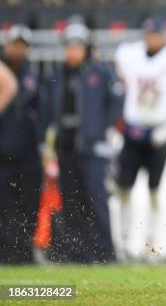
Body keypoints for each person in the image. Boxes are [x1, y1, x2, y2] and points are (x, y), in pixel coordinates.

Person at [48, 22, 123, 263]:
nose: (72, 52)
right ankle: (78, 253)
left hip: (92, 147)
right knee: (71, 201)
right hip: (66, 145)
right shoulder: (58, 75)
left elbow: (117, 102)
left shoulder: (99, 73)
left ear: (86, 48)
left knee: (96, 199)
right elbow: (50, 109)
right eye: (69, 47)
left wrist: (100, 130)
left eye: (77, 46)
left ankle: (105, 252)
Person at [114, 18, 166, 258]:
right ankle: (123, 240)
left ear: (163, 36)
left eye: (156, 34)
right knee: (125, 187)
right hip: (134, 129)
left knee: (154, 190)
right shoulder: (130, 55)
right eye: (149, 34)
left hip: (159, 130)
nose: (152, 39)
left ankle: (150, 242)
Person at [0, 25, 44, 264]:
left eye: (21, 45)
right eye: (13, 44)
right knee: (3, 204)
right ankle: (4, 252)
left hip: (28, 154)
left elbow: (44, 114)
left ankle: (25, 251)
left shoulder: (35, 77)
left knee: (28, 204)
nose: (16, 49)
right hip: (2, 152)